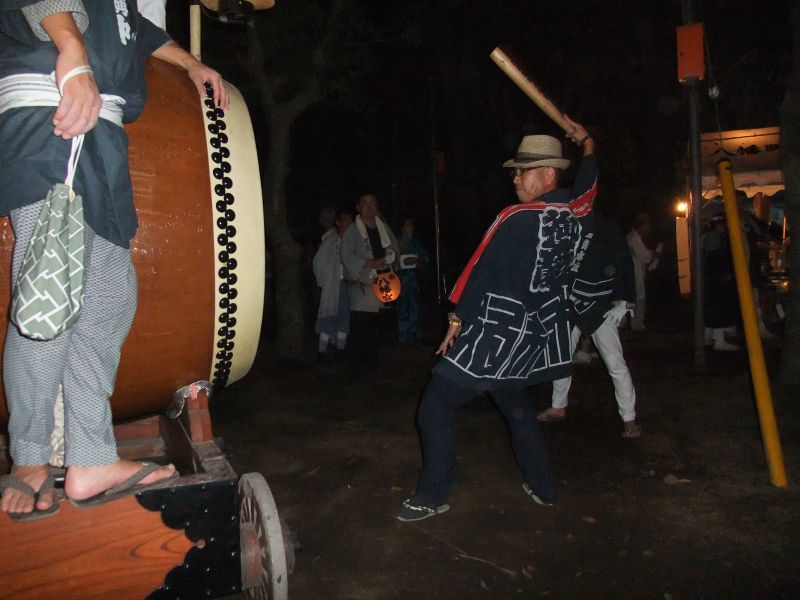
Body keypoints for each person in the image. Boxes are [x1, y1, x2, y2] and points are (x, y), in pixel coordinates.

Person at [0, 2, 228, 519]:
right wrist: (71, 53)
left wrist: (190, 63)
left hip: (99, 136)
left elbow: (136, 29)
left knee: (108, 301)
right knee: (47, 300)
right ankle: (31, 459)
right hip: (55, 112)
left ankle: (91, 458)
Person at [396, 117, 597, 522]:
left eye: (524, 171)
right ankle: (543, 487)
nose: (516, 178)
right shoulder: (578, 215)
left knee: (435, 406)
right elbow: (588, 187)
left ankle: (432, 495)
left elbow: (479, 271)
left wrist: (457, 320)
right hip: (537, 336)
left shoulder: (516, 217)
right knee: (514, 403)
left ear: (548, 174)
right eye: (516, 172)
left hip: (499, 332)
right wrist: (589, 145)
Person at [537, 212, 642, 439]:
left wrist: (626, 298)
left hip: (600, 305)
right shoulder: (566, 223)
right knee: (561, 357)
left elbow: (623, 260)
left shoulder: (606, 225)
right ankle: (558, 406)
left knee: (615, 363)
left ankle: (629, 418)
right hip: (570, 302)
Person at [340, 194, 400, 378]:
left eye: (372, 202)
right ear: (358, 208)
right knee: (360, 329)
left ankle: (372, 367)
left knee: (376, 329)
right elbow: (346, 255)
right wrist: (369, 263)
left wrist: (391, 258)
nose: (369, 205)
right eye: (365, 203)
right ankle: (357, 369)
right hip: (363, 286)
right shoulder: (352, 231)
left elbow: (395, 251)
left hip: (383, 285)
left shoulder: (384, 229)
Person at [312, 207, 352, 359]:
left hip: (347, 285)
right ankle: (321, 352)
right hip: (332, 285)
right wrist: (324, 279)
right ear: (338, 223)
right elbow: (319, 262)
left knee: (344, 317)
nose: (349, 224)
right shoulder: (330, 240)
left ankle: (340, 350)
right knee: (329, 316)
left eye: (350, 221)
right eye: (345, 221)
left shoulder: (352, 242)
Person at [396, 217, 430, 346]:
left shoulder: (417, 244)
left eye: (411, 225)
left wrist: (417, 262)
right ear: (402, 228)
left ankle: (415, 337)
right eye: (407, 225)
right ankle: (403, 338)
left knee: (415, 310)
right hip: (400, 283)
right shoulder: (397, 242)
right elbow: (389, 260)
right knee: (402, 310)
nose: (409, 227)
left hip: (414, 283)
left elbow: (425, 260)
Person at [626, 213, 661, 331]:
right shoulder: (634, 238)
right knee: (638, 298)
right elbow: (643, 255)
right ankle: (636, 324)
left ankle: (631, 324)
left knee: (633, 298)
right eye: (647, 225)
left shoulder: (632, 237)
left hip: (633, 272)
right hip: (634, 273)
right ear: (641, 226)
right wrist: (654, 254)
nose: (648, 228)